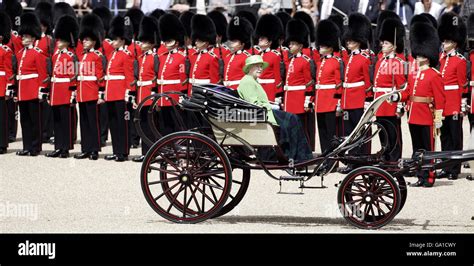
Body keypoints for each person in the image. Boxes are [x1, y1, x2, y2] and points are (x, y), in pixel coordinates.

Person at [390, 21, 445, 187]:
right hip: (413, 115)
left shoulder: (434, 75)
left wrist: (438, 118)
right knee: (417, 149)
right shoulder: (414, 74)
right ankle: (420, 176)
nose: (417, 57)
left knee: (427, 150)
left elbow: (440, 99)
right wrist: (397, 97)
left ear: (427, 56)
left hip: (426, 116)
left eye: (420, 55)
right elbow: (408, 93)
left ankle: (428, 177)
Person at [237, 55, 312, 162]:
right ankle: (297, 156)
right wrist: (272, 106)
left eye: (261, 66)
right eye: (257, 66)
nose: (260, 69)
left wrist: (271, 105)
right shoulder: (248, 81)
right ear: (249, 68)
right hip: (262, 114)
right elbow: (254, 103)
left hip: (264, 112)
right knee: (292, 119)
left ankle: (298, 155)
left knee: (293, 118)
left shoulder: (252, 80)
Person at [437, 12, 467, 179]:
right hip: (443, 102)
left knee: (455, 137)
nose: (444, 43)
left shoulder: (460, 60)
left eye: (447, 41)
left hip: (454, 102)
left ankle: (455, 169)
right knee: (445, 136)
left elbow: (462, 85)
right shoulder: (440, 59)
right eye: (444, 40)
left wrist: (461, 105)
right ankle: (445, 166)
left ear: (454, 43)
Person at [373, 17, 406, 162]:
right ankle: (385, 156)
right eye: (383, 43)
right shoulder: (380, 60)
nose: (383, 45)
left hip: (390, 102)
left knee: (393, 133)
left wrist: (399, 105)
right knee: (382, 130)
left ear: (393, 46)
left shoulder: (398, 62)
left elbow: (401, 86)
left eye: (386, 43)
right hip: (380, 102)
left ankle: (394, 158)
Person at [15, 12, 49, 156]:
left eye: (26, 36)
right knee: (25, 121)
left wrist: (42, 91)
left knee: (35, 121)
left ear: (33, 38)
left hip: (33, 90)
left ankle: (35, 147)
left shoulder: (38, 53)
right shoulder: (19, 54)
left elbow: (42, 74)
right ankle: (27, 146)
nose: (23, 38)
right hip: (23, 91)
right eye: (23, 36)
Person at [45, 15, 78, 158]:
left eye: (61, 40)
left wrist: (72, 94)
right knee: (56, 121)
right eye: (58, 40)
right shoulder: (55, 56)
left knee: (65, 121)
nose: (58, 42)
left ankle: (65, 148)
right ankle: (58, 146)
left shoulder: (71, 56)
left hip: (65, 92)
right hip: (56, 91)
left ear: (67, 42)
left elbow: (73, 77)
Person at [104, 15, 135, 162]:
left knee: (123, 124)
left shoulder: (126, 55)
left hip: (121, 95)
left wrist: (129, 93)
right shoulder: (112, 54)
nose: (113, 42)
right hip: (111, 93)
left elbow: (129, 77)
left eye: (116, 39)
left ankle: (123, 152)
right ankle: (116, 150)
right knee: (113, 124)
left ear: (122, 40)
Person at [74, 13, 105, 161]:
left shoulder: (97, 56)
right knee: (84, 122)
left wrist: (100, 93)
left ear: (94, 41)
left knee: (93, 122)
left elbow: (100, 77)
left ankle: (94, 149)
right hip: (81, 92)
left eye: (87, 39)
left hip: (92, 92)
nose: (84, 42)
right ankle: (85, 148)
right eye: (84, 39)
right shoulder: (81, 56)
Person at [132, 16, 160, 163]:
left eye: (144, 42)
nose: (141, 44)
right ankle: (145, 153)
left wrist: (155, 98)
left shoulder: (154, 57)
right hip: (142, 95)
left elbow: (155, 77)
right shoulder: (141, 59)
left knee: (150, 125)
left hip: (150, 95)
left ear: (150, 43)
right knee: (142, 125)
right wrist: (136, 98)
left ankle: (152, 153)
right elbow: (138, 81)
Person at [314, 19, 343, 154]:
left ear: (330, 47)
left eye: (323, 46)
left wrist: (338, 104)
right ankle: (325, 157)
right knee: (322, 132)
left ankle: (332, 160)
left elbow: (338, 85)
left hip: (330, 102)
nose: (320, 48)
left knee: (331, 133)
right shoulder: (320, 62)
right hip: (320, 102)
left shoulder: (336, 62)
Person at [157, 14, 188, 135]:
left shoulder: (181, 57)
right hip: (163, 96)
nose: (166, 43)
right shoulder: (162, 57)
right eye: (166, 40)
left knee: (178, 125)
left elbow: (182, 79)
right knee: (166, 126)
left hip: (174, 97)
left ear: (176, 42)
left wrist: (181, 97)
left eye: (169, 41)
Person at [253, 14, 283, 102]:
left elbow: (278, 77)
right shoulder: (258, 54)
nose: (260, 39)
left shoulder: (275, 55)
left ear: (269, 41)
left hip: (270, 90)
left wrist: (278, 95)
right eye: (260, 37)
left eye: (263, 38)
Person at [223, 16, 252, 90]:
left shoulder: (246, 58)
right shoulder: (228, 56)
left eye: (235, 41)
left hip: (239, 90)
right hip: (226, 90)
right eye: (231, 41)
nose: (231, 44)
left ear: (242, 43)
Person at [0, 11, 13, 154]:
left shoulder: (6, 51)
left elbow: (9, 71)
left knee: (2, 116)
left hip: (1, 85)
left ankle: (2, 143)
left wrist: (9, 88)